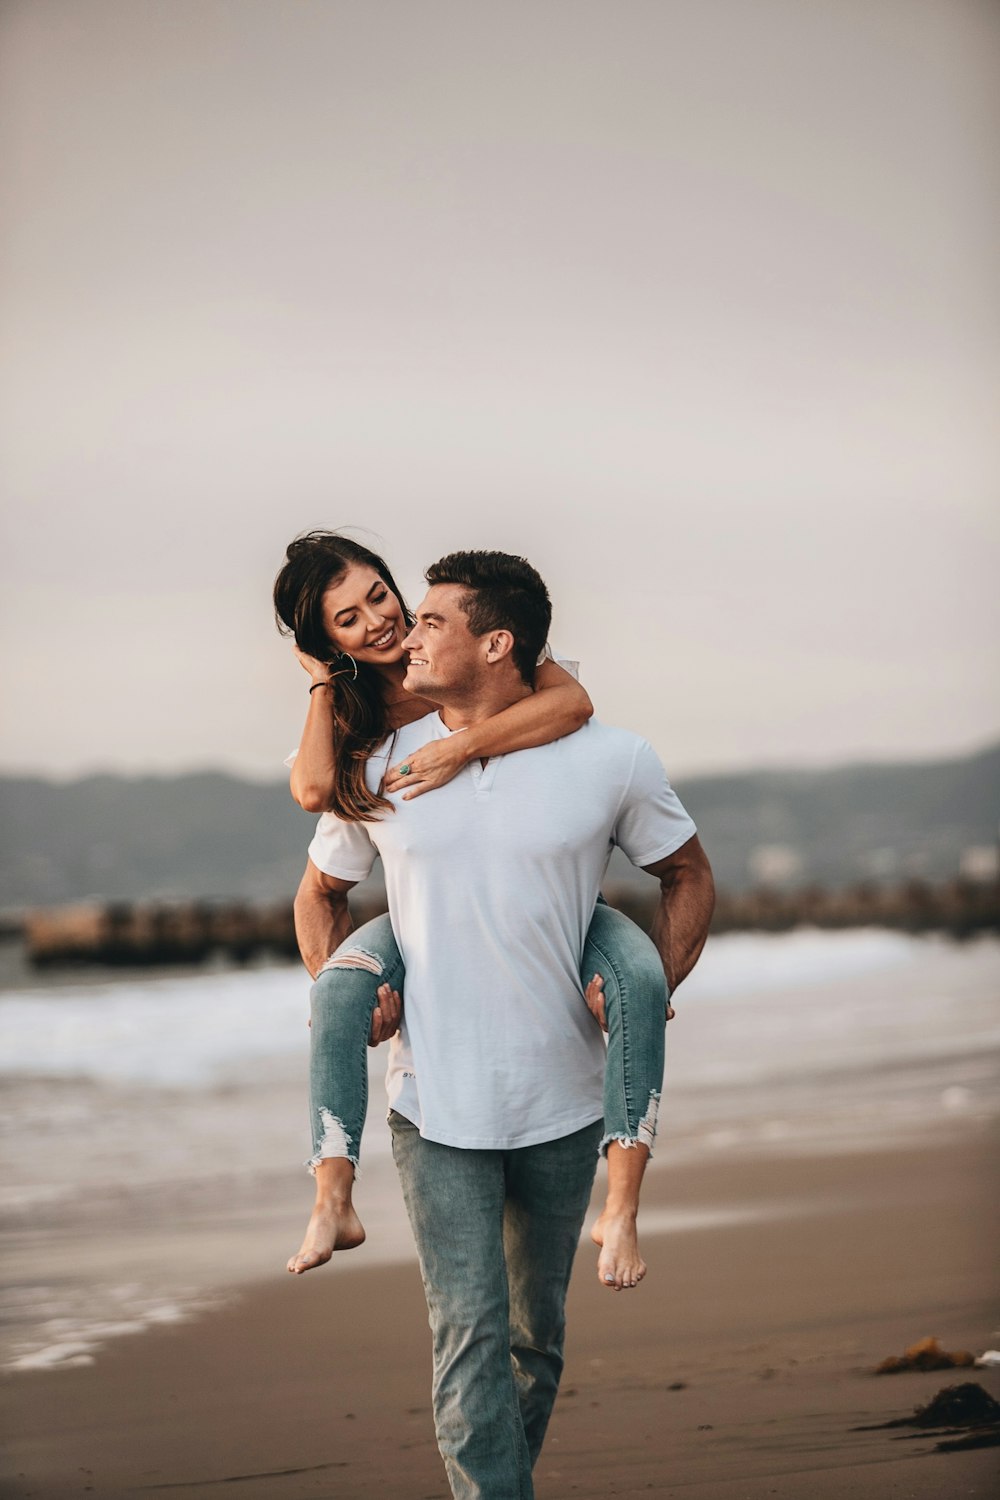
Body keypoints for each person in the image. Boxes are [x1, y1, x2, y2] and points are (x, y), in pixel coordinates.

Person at [295, 549, 714, 1499]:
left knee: (535, 1340)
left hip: (565, 1102)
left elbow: (687, 872)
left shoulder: (610, 754)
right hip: (432, 1102)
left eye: (427, 618)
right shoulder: (378, 757)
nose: (403, 629)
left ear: (498, 643)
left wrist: (658, 979)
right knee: (468, 1339)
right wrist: (351, 995)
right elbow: (320, 892)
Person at [273, 533, 683, 1291]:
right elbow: (311, 797)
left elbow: (572, 702)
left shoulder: (472, 659)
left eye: (377, 595)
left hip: (551, 905)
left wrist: (461, 748)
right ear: (328, 643)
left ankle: (623, 1203)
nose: (380, 621)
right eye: (347, 620)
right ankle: (332, 1193)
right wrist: (325, 686)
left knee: (641, 979)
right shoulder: (364, 724)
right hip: (422, 917)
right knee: (333, 988)